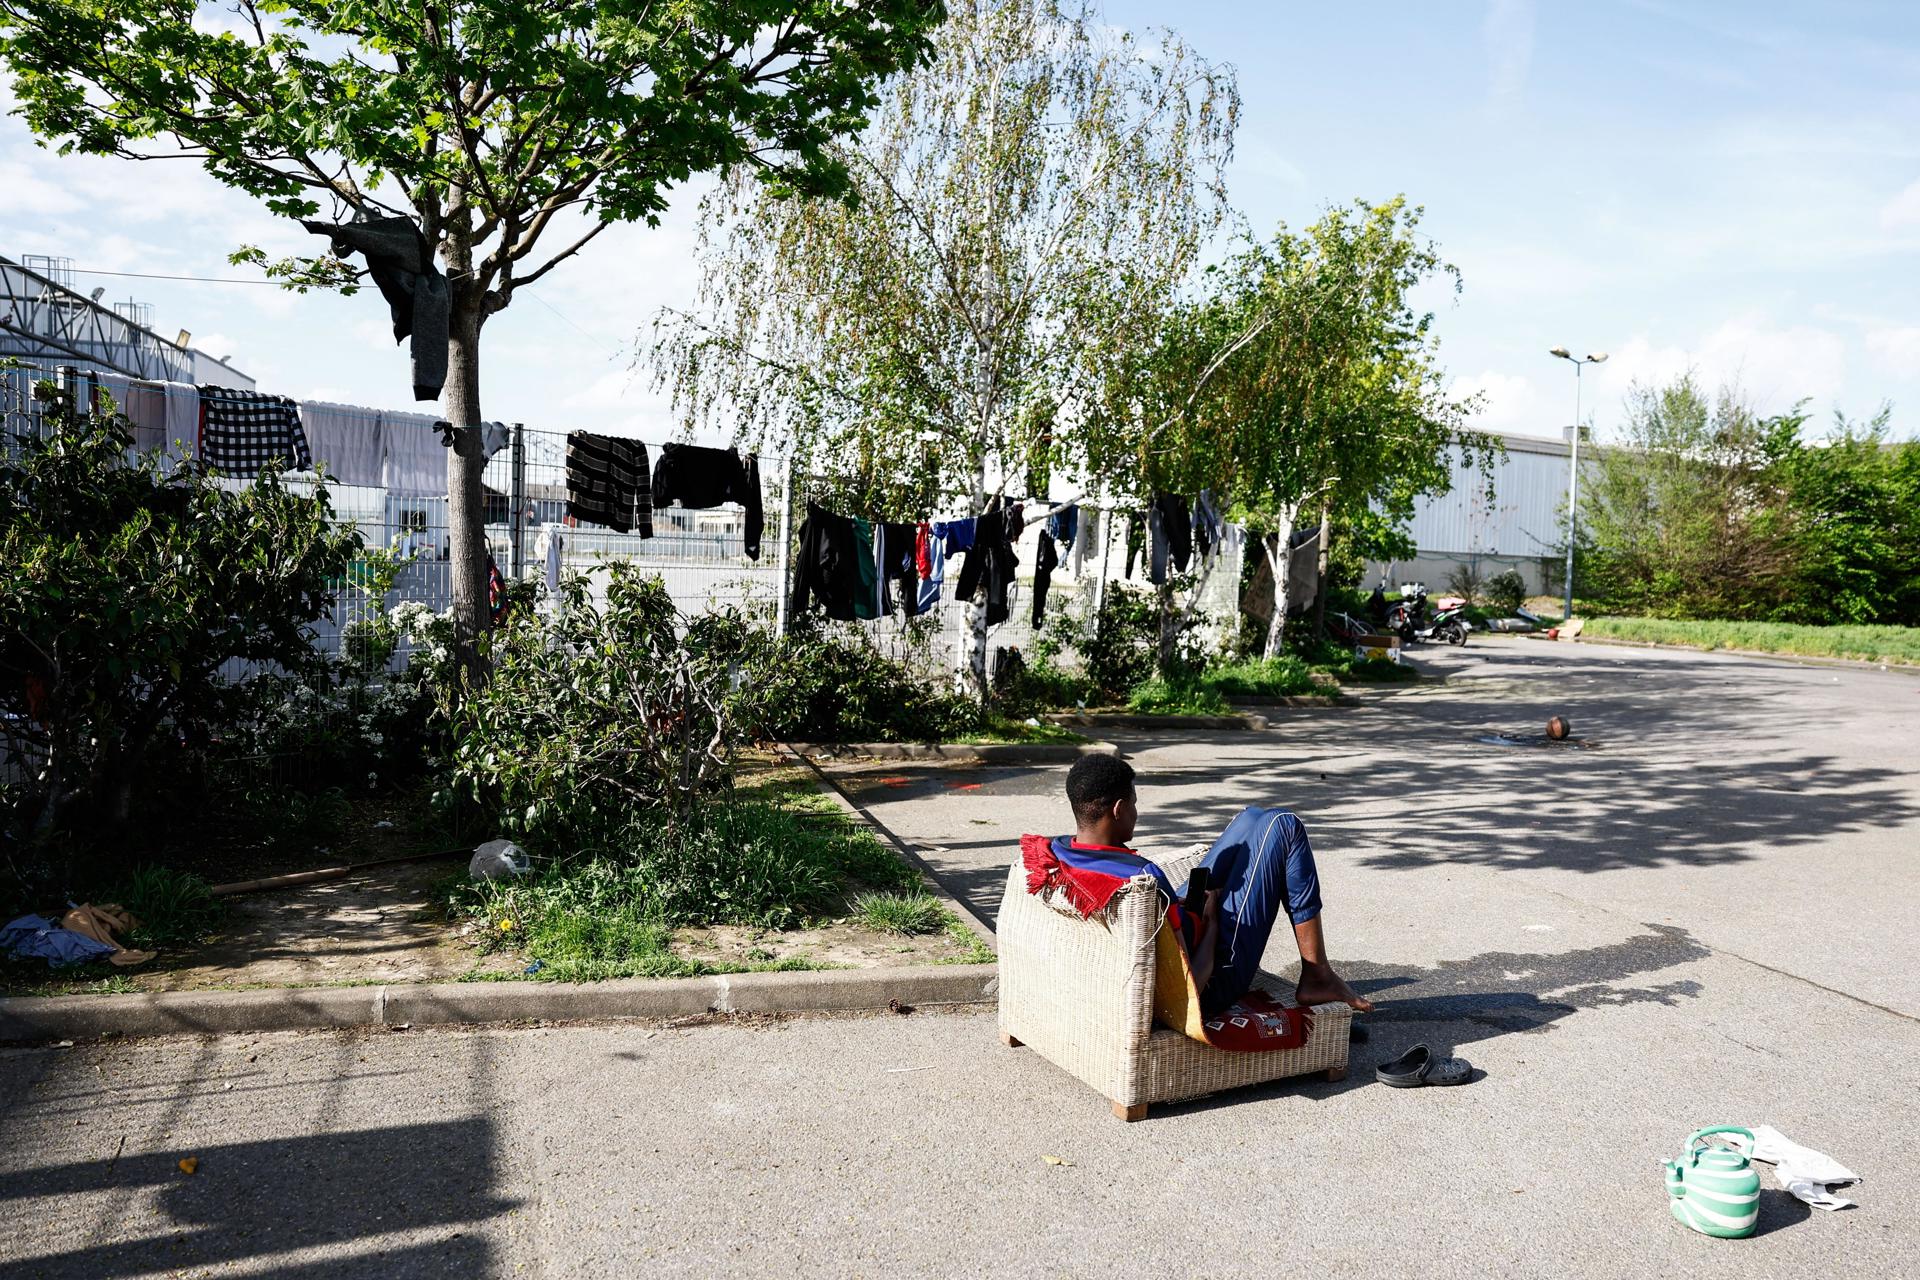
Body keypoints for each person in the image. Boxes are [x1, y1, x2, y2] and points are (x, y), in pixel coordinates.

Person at [1035, 753, 1373, 1017]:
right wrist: (1211, 920)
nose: (1137, 812)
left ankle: (1316, 971)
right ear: (1120, 810)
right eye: (1134, 804)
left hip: (1173, 927)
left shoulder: (1061, 851)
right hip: (1212, 979)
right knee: (1283, 825)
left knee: (1251, 818)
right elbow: (1192, 981)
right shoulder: (1144, 878)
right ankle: (1317, 974)